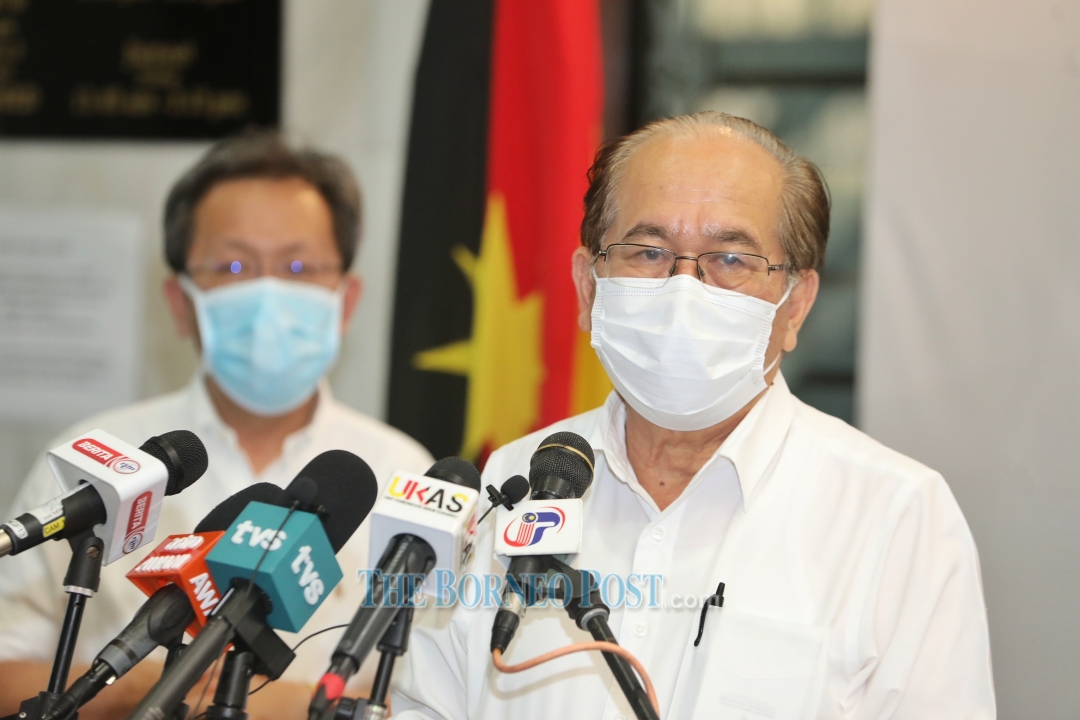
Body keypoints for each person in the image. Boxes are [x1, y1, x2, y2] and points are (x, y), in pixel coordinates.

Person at [391, 113, 996, 719]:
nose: (685, 288)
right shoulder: (517, 478)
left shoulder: (894, 515)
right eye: (649, 251)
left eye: (731, 258)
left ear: (796, 306)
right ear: (588, 287)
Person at [0, 132, 434, 719]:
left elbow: (437, 690)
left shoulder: (407, 475)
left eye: (299, 266)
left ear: (346, 300)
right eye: (234, 265)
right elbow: (7, 667)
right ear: (179, 303)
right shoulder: (94, 458)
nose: (268, 293)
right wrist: (144, 689)